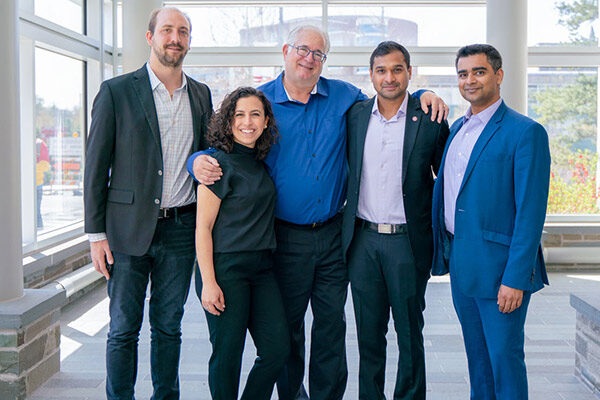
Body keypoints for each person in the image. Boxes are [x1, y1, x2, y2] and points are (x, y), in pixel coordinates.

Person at [188, 25, 448, 400]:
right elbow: (223, 144)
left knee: (331, 327)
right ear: (285, 51)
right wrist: (197, 160)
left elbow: (390, 96)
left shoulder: (345, 98)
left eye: (318, 54)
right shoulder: (261, 103)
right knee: (287, 331)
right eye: (302, 50)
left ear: (324, 61)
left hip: (333, 235)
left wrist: (425, 93)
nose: (308, 59)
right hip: (282, 237)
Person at [83, 7, 212, 399]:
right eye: (168, 30)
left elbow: (204, 155)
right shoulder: (117, 91)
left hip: (180, 229)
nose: (176, 38)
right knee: (123, 328)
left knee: (169, 327)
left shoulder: (201, 93)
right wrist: (95, 234)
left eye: (184, 32)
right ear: (150, 36)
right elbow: (95, 166)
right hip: (125, 232)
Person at [431, 44, 551, 400]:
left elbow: (531, 213)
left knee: (504, 361)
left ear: (498, 75)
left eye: (479, 72)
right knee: (478, 362)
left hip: (501, 273)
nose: (470, 80)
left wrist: (515, 278)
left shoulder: (525, 132)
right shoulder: (457, 128)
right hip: (464, 266)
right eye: (463, 73)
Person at [342, 41, 449, 400]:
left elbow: (448, 180)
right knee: (368, 336)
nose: (389, 78)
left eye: (397, 69)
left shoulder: (430, 118)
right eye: (381, 70)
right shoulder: (354, 116)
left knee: (409, 333)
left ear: (409, 72)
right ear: (371, 75)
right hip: (363, 242)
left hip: (408, 243)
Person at [195, 86, 290, 400]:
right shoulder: (216, 165)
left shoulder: (261, 163)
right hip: (225, 269)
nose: (247, 122)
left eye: (255, 114)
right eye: (239, 114)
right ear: (228, 120)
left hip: (262, 269)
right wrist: (209, 282)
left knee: (277, 350)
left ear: (265, 122)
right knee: (227, 356)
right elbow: (203, 228)